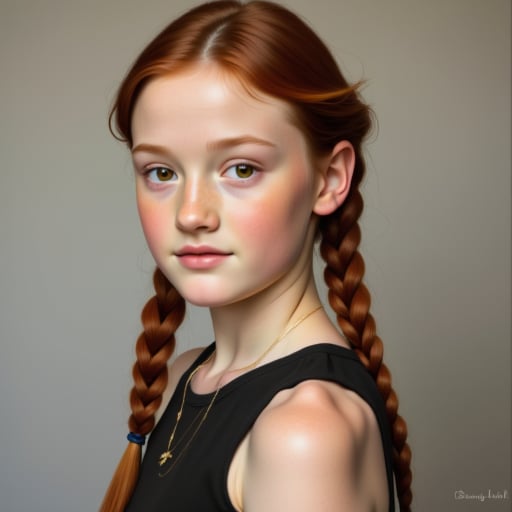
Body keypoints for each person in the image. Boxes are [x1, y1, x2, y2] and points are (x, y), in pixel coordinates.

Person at [100, 1, 412, 511]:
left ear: (331, 179)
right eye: (161, 172)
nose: (191, 214)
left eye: (241, 169)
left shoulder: (303, 434)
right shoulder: (185, 377)